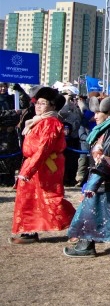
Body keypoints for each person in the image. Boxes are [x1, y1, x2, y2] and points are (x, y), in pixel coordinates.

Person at [63, 97, 110, 257]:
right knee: (93, 213)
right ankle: (86, 244)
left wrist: (93, 183)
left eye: (99, 112)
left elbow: (109, 159)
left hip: (107, 181)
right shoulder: (106, 128)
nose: (95, 116)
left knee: (98, 213)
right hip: (103, 179)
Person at [9, 87, 76, 244]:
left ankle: (78, 225)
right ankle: (28, 231)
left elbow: (44, 147)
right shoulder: (37, 121)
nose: (38, 106)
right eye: (37, 103)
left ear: (52, 106)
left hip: (46, 165)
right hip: (33, 163)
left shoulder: (51, 122)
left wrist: (31, 169)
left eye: (43, 103)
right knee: (28, 198)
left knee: (51, 198)